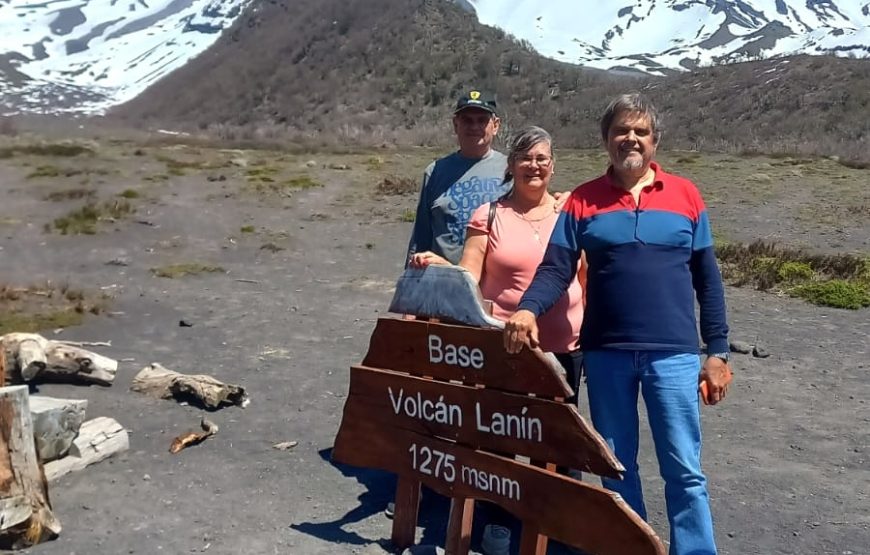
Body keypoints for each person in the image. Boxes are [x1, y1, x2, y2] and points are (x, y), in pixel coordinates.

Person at [504, 93, 733, 555]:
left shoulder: (686, 195)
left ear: (655, 141)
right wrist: (527, 309)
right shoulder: (583, 200)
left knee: (684, 468)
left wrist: (718, 352)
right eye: (620, 131)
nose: (630, 138)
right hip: (606, 354)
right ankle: (627, 546)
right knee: (615, 464)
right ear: (606, 140)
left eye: (640, 131)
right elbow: (556, 268)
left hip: (674, 353)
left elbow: (708, 281)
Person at [411, 126, 585, 396]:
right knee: (507, 427)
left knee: (558, 433)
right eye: (525, 158)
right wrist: (443, 267)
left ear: (553, 166)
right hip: (506, 347)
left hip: (566, 349)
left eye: (541, 159)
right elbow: (470, 276)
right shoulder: (489, 215)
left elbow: (585, 279)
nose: (534, 165)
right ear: (511, 165)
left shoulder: (571, 214)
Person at [405, 90, 510, 266]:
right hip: (445, 281)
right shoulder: (435, 172)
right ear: (456, 124)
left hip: (495, 283)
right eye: (467, 120)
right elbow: (421, 236)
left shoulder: (512, 169)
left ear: (496, 125)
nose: (474, 126)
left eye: (482, 120)